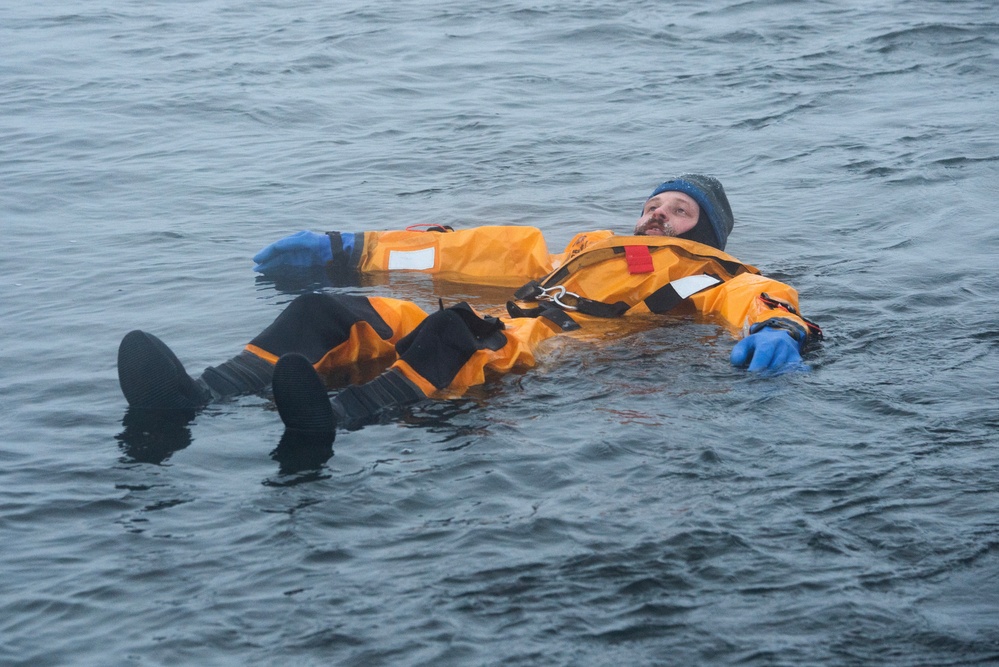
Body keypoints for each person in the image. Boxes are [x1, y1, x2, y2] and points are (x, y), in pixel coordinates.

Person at [117, 174, 821, 440]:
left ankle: (333, 416)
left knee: (457, 329)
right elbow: (470, 253)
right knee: (328, 312)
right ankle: (200, 393)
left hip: (550, 352)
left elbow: (754, 297)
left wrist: (778, 325)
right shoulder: (580, 250)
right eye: (650, 205)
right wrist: (352, 246)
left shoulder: (713, 273)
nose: (655, 215)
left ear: (706, 228)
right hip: (509, 322)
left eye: (677, 209)